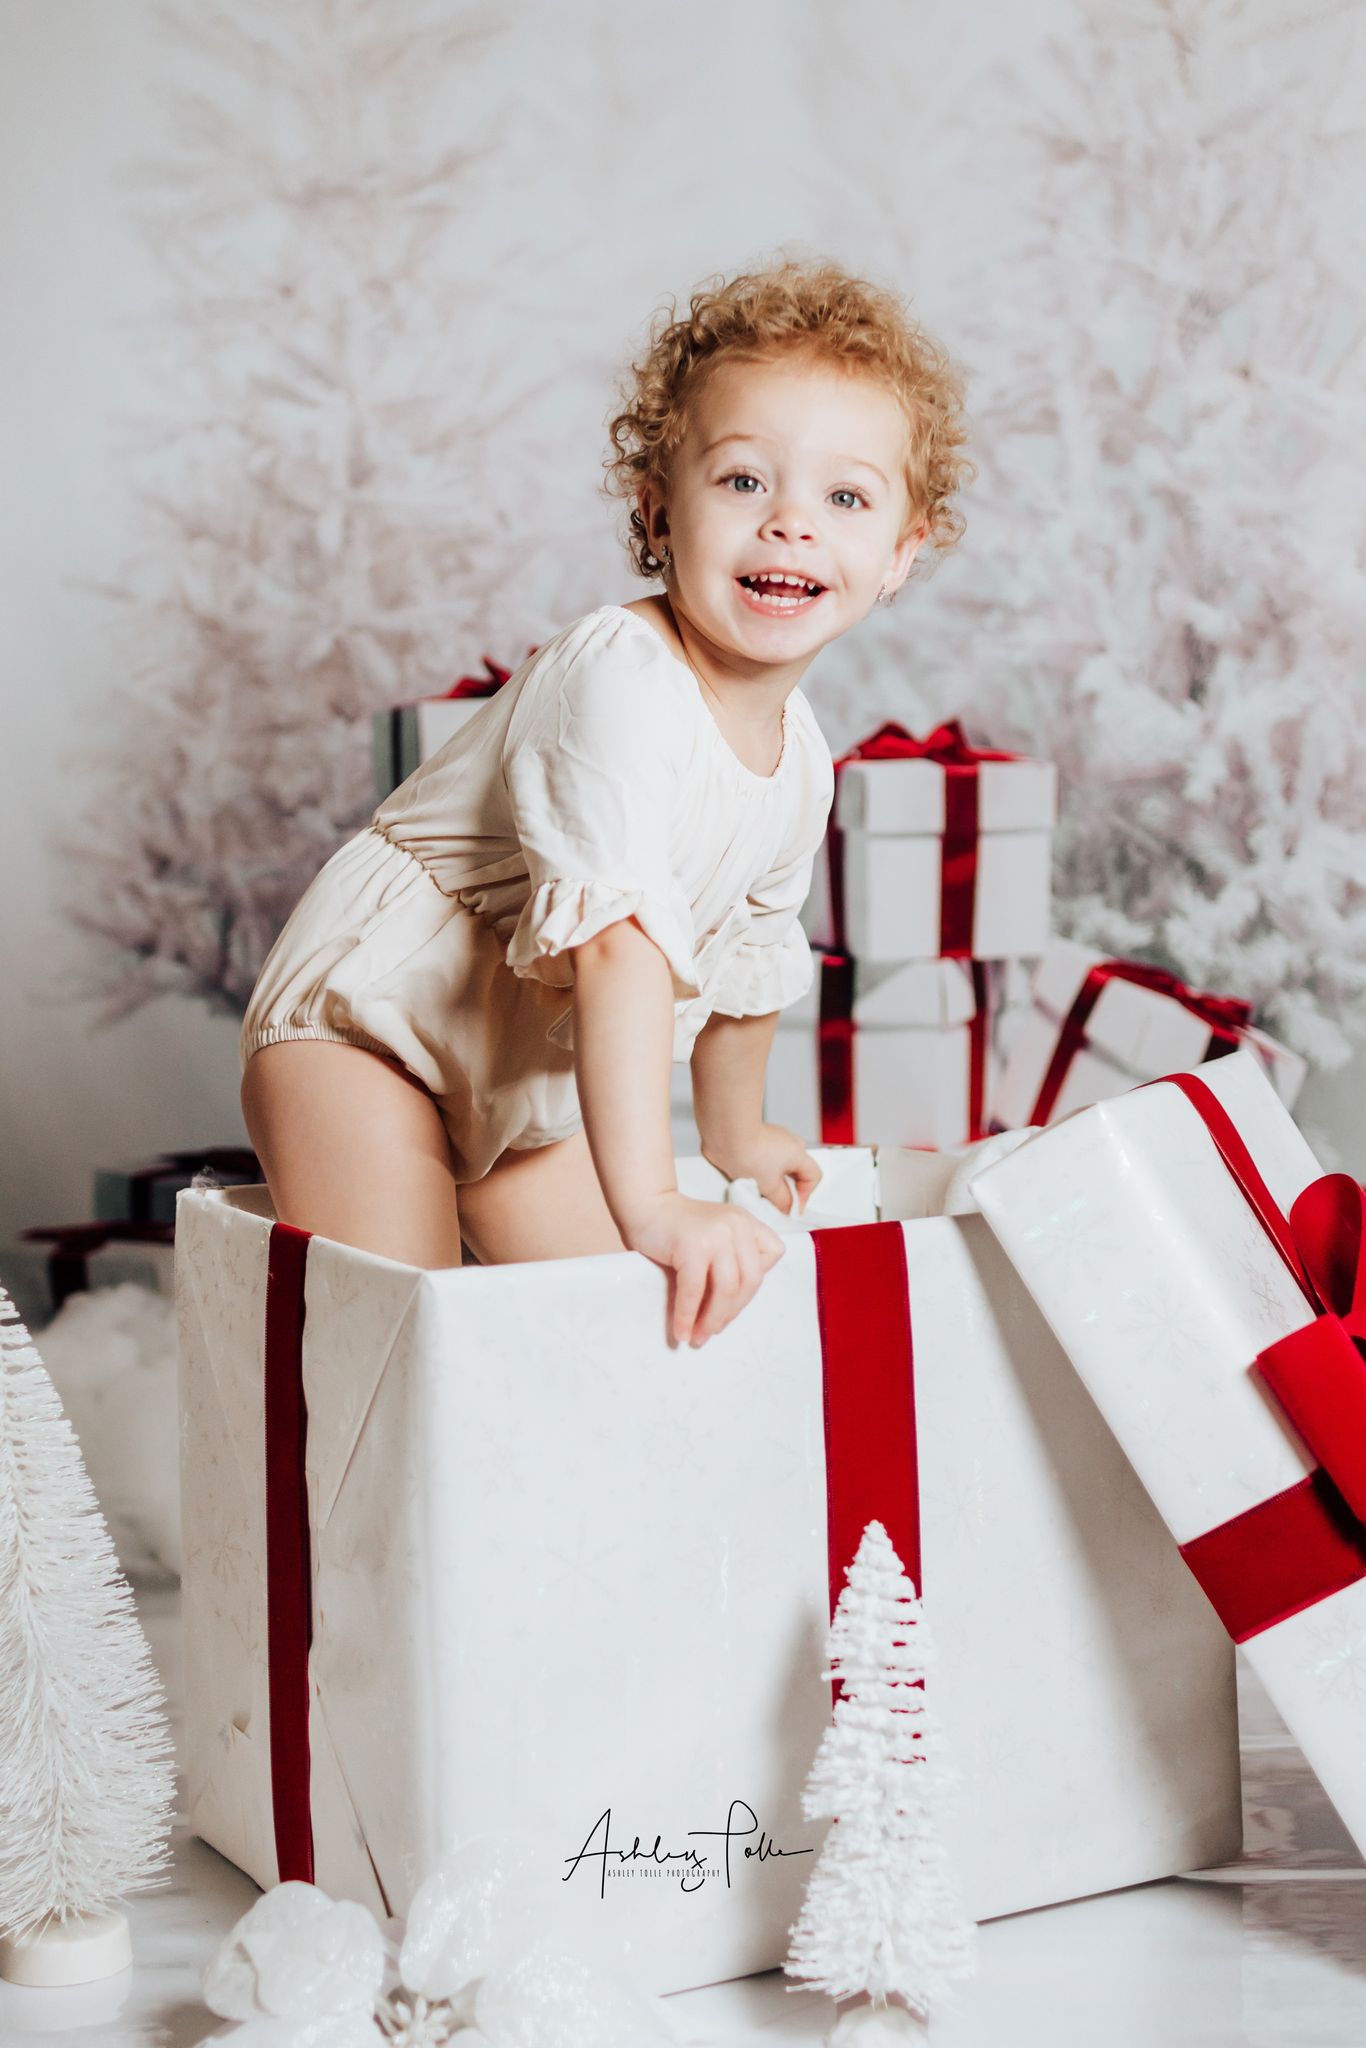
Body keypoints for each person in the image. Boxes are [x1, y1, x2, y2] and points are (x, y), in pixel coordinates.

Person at [238, 257, 971, 1346]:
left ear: (901, 554)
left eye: (845, 497)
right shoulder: (619, 677)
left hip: (523, 1073)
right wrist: (657, 1203)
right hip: (372, 1027)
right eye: (741, 481)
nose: (789, 525)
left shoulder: (800, 755)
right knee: (411, 1334)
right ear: (657, 513)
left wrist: (734, 1133)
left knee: (615, 1342)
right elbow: (617, 949)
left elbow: (750, 952)